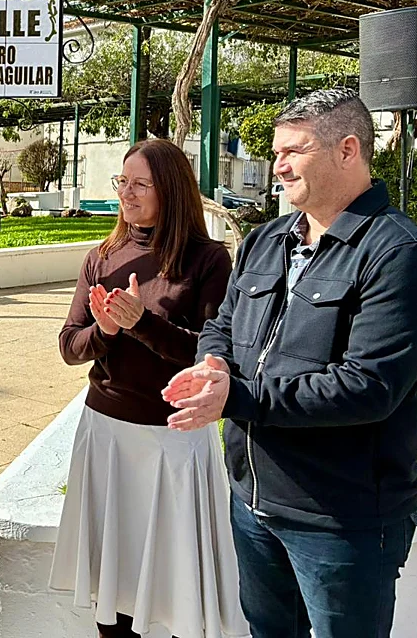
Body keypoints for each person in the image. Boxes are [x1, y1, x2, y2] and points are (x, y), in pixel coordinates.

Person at [163, 88, 417, 638]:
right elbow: (222, 326)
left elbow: (369, 387)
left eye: (293, 151)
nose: (278, 166)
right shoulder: (265, 241)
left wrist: (238, 398)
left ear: (348, 150)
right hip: (253, 502)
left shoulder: (402, 256)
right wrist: (215, 365)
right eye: (277, 152)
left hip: (342, 519)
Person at [50, 138, 246, 638]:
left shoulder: (208, 261)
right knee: (112, 591)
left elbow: (210, 352)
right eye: (123, 181)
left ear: (172, 190)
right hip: (108, 437)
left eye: (141, 184)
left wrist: (141, 322)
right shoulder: (103, 256)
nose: (127, 193)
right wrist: (106, 332)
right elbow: (70, 346)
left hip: (172, 441)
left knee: (175, 590)